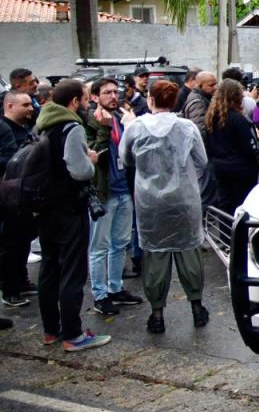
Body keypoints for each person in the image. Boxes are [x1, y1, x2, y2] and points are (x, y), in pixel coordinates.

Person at [119, 80, 209, 334]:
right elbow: (201, 161)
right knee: (188, 251)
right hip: (184, 198)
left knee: (155, 255)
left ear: (150, 99)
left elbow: (125, 158)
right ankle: (197, 308)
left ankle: (157, 313)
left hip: (150, 202)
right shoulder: (187, 127)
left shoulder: (136, 128)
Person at [35, 80, 111, 351]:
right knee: (72, 272)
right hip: (69, 207)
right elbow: (79, 171)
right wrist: (90, 160)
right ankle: (73, 335)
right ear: (75, 101)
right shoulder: (72, 127)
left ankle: (50, 331)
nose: (89, 103)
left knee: (49, 267)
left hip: (45, 206)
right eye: (86, 99)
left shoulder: (43, 122)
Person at [84, 78, 142, 316]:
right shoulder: (89, 121)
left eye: (115, 92)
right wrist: (104, 128)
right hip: (103, 192)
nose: (113, 96)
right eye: (106, 92)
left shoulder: (119, 117)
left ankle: (116, 288)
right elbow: (93, 155)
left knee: (120, 244)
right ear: (95, 97)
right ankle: (100, 295)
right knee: (99, 246)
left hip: (123, 190)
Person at [0, 91, 38, 307]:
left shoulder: (23, 128)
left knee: (23, 239)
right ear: (10, 106)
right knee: (10, 244)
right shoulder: (3, 129)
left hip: (22, 193)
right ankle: (9, 289)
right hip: (8, 195)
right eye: (25, 105)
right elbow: (7, 160)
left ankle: (21, 281)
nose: (31, 108)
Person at [205, 79, 259, 213]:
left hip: (219, 167)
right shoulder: (237, 119)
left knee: (225, 204)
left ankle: (225, 233)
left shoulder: (211, 117)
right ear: (237, 97)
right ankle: (240, 234)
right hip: (241, 168)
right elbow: (249, 147)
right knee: (242, 205)